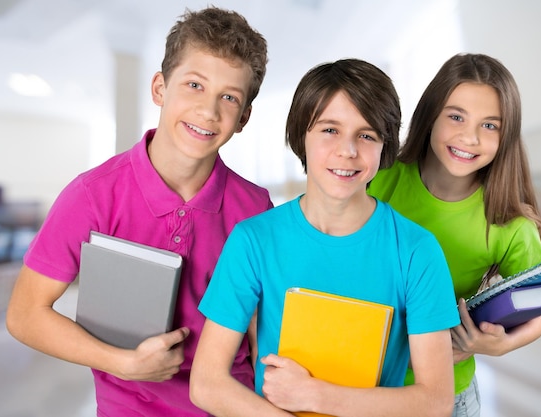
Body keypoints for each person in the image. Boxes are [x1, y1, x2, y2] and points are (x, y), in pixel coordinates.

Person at [6, 7, 271, 417]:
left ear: (244, 117)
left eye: (229, 97)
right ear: (160, 88)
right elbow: (25, 314)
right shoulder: (92, 195)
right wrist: (123, 363)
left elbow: (260, 331)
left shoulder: (255, 206)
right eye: (194, 85)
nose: (208, 111)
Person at [189, 58, 460, 417]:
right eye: (330, 130)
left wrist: (317, 396)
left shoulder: (417, 251)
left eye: (366, 135)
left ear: (385, 146)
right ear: (302, 135)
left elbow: (436, 401)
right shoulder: (253, 241)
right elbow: (207, 383)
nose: (347, 150)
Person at [367, 53, 541, 417]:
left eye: (490, 126)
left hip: (449, 394)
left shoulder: (509, 223)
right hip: (364, 381)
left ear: (506, 136)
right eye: (456, 117)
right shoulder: (381, 177)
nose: (469, 137)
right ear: (430, 115)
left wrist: (501, 345)